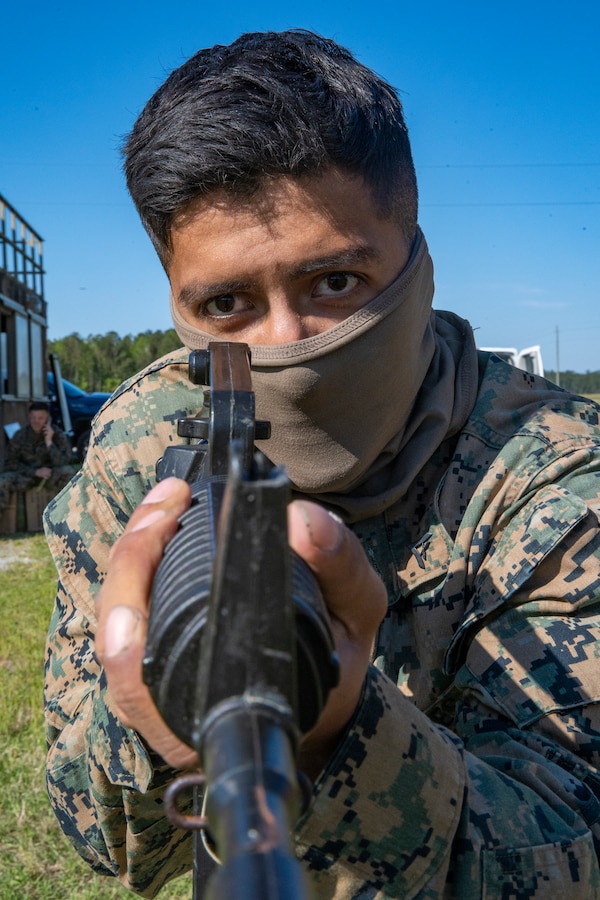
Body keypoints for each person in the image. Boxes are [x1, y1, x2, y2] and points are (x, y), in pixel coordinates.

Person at [43, 29, 600, 899]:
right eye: (226, 303)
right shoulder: (144, 441)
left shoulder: (559, 478)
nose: (285, 344)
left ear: (414, 250)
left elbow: (573, 852)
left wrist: (341, 734)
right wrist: (146, 708)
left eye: (334, 281)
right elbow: (110, 842)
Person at [0, 401, 75, 514]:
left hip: (50, 476)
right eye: (33, 418)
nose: (36, 421)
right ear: (29, 417)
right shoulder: (20, 435)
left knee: (69, 472)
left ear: (47, 419)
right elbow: (9, 462)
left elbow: (64, 461)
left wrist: (49, 442)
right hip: (27, 476)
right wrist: (34, 471)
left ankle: (67, 515)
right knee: (2, 481)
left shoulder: (57, 434)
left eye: (40, 418)